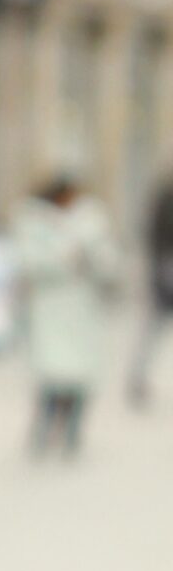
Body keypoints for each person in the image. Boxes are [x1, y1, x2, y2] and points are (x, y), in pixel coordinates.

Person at [14, 172, 123, 455]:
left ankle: (72, 432)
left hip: (83, 310)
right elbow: (27, 262)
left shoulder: (91, 221)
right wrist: (63, 260)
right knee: (51, 376)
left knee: (79, 378)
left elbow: (110, 263)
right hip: (50, 309)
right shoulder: (34, 222)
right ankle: (44, 430)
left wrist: (91, 258)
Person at [127, 168, 173, 404]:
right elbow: (156, 234)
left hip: (164, 266)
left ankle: (139, 377)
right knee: (154, 328)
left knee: (153, 329)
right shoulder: (166, 197)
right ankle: (138, 377)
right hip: (167, 267)